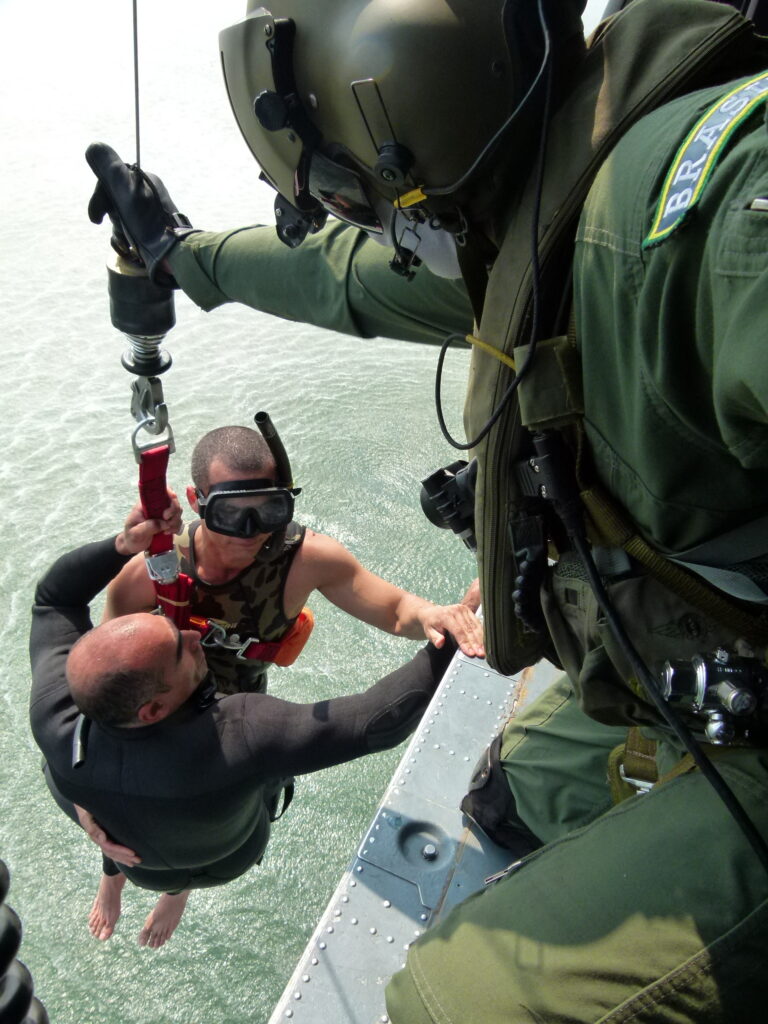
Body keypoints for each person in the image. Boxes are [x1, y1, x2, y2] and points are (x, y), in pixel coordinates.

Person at [84, 0, 768, 1018]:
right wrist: (183, 254)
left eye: (352, 195)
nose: (375, 232)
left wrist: (437, 634)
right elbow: (343, 281)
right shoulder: (543, 219)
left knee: (449, 1000)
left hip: (736, 676)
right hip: (692, 650)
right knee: (505, 792)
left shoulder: (704, 208)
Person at [29, 499, 471, 949]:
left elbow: (53, 600)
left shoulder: (55, 718)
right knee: (259, 777)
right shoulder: (240, 733)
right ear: (153, 710)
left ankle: (124, 877)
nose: (193, 633)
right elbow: (375, 722)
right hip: (229, 854)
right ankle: (171, 891)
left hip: (140, 864)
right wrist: (450, 642)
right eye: (180, 646)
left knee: (89, 802)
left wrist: (123, 545)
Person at [103, 421, 484, 695]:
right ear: (194, 502)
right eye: (231, 514)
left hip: (244, 717)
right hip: (162, 714)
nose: (250, 531)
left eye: (268, 511)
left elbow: (396, 610)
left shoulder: (307, 559)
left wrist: (435, 616)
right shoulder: (152, 573)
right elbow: (105, 666)